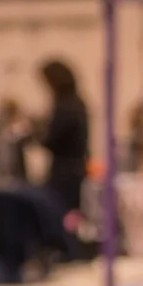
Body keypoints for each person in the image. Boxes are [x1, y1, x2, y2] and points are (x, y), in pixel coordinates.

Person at [36, 59, 91, 223]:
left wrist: (36, 132)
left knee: (60, 214)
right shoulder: (78, 104)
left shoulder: (65, 107)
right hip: (77, 168)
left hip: (64, 172)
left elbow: (52, 140)